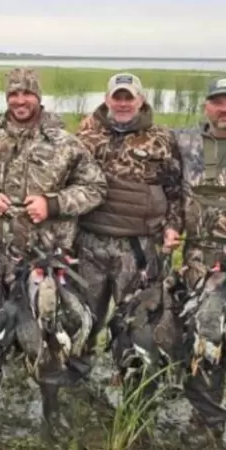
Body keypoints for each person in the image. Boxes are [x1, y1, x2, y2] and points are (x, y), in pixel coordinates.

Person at [0, 68, 107, 420]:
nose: (20, 101)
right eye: (13, 95)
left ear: (38, 97)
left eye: (27, 94)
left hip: (45, 262)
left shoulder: (66, 145)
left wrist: (52, 204)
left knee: (49, 335)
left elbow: (97, 189)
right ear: (7, 98)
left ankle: (51, 412)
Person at [74, 73, 183, 365]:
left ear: (141, 100)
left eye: (129, 97)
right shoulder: (85, 136)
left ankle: (133, 382)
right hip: (89, 243)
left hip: (139, 248)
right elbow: (69, 186)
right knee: (83, 316)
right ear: (107, 99)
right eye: (117, 97)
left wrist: (172, 227)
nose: (123, 104)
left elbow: (175, 190)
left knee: (137, 321)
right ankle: (75, 375)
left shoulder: (162, 139)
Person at [177, 76, 226, 444]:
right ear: (206, 105)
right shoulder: (184, 141)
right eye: (216, 101)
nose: (223, 108)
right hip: (198, 255)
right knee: (201, 336)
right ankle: (206, 417)